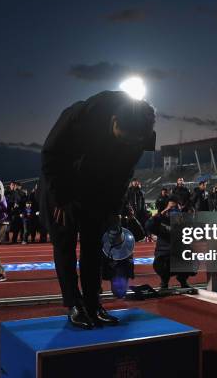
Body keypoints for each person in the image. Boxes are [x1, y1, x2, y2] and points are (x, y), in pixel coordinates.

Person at [39, 90, 156, 329]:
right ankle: (74, 303)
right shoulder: (81, 116)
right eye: (122, 138)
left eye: (131, 142)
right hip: (63, 182)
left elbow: (124, 175)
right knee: (65, 245)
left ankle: (93, 304)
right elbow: (50, 154)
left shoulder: (138, 134)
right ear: (114, 121)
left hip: (97, 188)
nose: (125, 145)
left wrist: (114, 210)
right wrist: (60, 198)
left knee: (94, 247)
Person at [145, 197, 195, 289]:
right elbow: (148, 226)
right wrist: (163, 212)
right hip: (164, 255)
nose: (174, 211)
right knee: (162, 264)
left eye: (176, 208)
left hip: (178, 254)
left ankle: (182, 279)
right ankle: (164, 282)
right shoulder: (161, 221)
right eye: (172, 208)